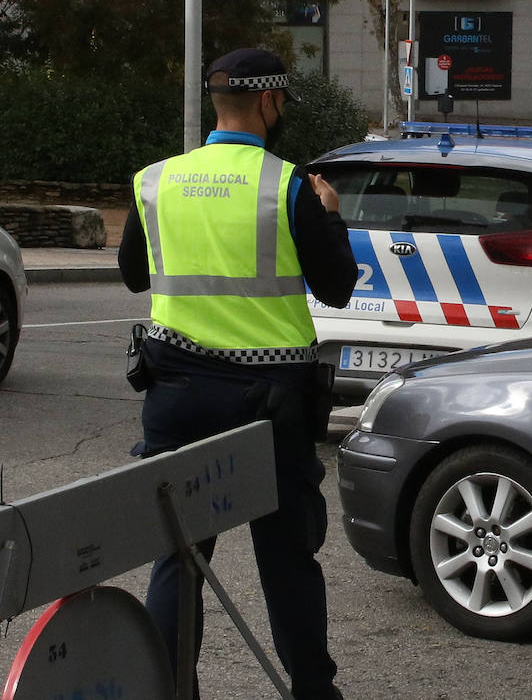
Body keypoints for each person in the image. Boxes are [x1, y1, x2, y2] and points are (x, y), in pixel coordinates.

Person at [118, 46, 357, 700]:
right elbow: (337, 289)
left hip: (176, 398)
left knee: (181, 557)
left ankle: (169, 691)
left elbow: (136, 274)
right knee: (287, 562)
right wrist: (331, 214)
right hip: (269, 407)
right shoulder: (288, 187)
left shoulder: (155, 182)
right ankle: (311, 690)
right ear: (269, 101)